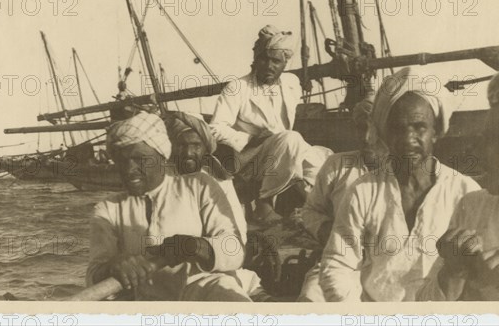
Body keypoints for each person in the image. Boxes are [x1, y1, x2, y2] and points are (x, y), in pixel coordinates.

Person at [319, 67, 481, 302]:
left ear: (436, 132)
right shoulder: (363, 191)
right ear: (384, 133)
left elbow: (478, 272)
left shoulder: (466, 193)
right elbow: (338, 263)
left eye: (419, 127)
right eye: (397, 128)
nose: (408, 139)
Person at [86, 111, 251, 301]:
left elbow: (234, 250)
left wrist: (197, 246)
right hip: (143, 303)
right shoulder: (107, 209)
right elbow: (93, 274)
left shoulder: (200, 186)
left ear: (162, 157)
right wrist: (113, 266)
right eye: (122, 161)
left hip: (200, 293)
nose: (130, 170)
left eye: (140, 159)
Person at [209, 24, 332, 224]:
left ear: (284, 63)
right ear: (255, 59)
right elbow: (215, 128)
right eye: (263, 59)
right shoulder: (238, 88)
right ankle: (264, 205)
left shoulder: (291, 83)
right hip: (251, 158)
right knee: (291, 139)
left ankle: (316, 210)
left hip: (285, 153)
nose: (269, 66)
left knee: (324, 161)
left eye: (275, 61)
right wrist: (251, 138)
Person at [417, 67, 499, 301]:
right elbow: (424, 306)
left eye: (497, 140)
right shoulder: (472, 206)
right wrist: (451, 273)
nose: (479, 153)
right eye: (483, 139)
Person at [165, 111, 281, 296]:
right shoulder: (162, 181)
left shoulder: (219, 179)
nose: (188, 152)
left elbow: (236, 233)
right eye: (181, 145)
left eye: (195, 145)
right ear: (171, 146)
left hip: (216, 265)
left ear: (205, 147)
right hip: (171, 269)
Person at [297, 96, 378, 301]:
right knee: (310, 302)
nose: (367, 137)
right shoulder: (337, 165)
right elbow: (311, 210)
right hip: (340, 263)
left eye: (374, 129)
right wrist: (326, 232)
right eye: (361, 128)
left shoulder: (404, 171)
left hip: (387, 266)